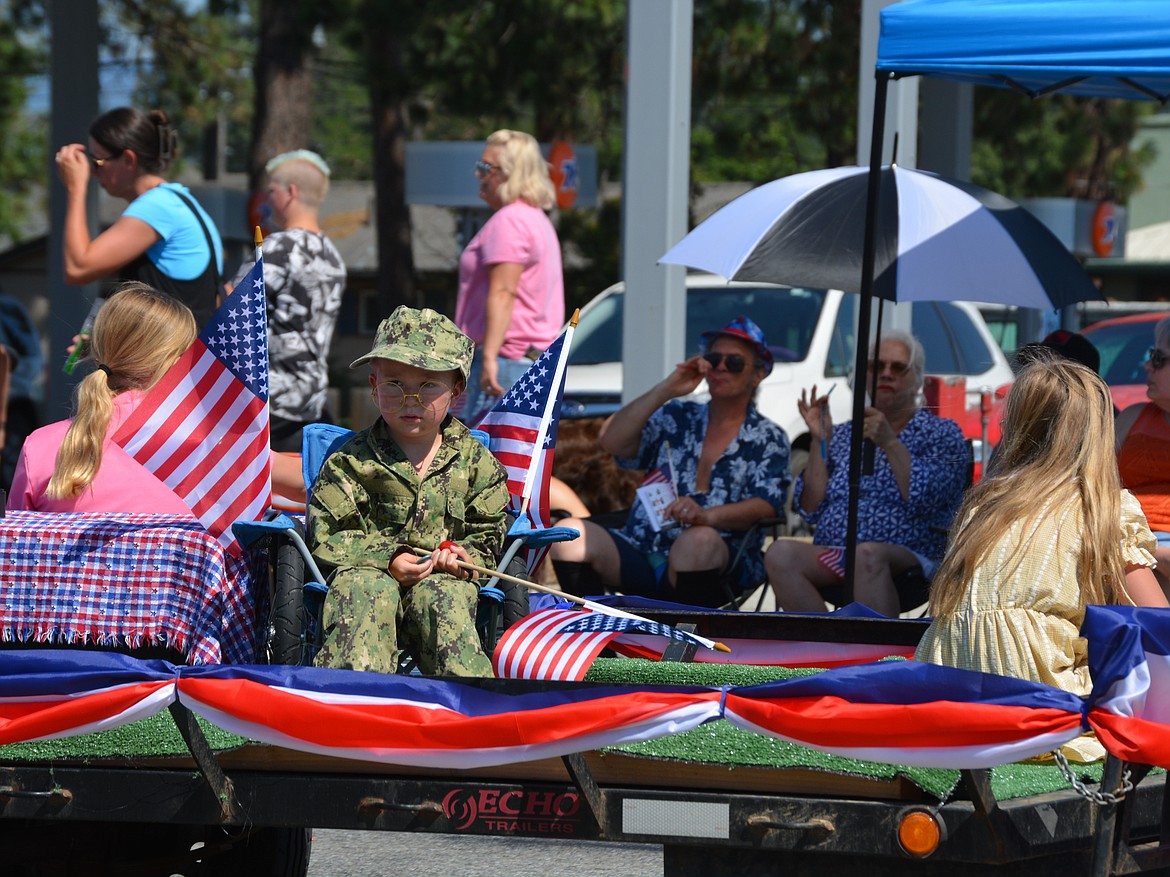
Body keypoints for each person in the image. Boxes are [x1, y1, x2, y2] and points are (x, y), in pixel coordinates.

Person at [916, 355, 1167, 700]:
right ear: (1098, 433)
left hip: (947, 695)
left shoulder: (981, 505)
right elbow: (1158, 623)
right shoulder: (1103, 508)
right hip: (1044, 703)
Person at [307, 306, 509, 676]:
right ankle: (352, 708)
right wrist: (388, 558)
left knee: (445, 596)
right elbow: (327, 536)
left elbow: (491, 532)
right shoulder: (349, 463)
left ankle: (467, 713)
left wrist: (465, 558)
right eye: (394, 384)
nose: (410, 399)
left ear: (456, 391)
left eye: (428, 385)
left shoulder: (477, 464)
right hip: (366, 578)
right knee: (364, 589)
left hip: (443, 582)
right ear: (373, 387)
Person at [548, 316, 791, 608]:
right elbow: (611, 440)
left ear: (758, 374)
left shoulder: (769, 436)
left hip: (718, 560)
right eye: (714, 359)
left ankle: (688, 644)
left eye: (735, 363)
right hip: (644, 545)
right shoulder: (678, 414)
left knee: (698, 541)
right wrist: (666, 389)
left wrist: (708, 517)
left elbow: (767, 503)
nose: (722, 368)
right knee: (568, 536)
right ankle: (599, 646)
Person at [7, 282, 304, 513]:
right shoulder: (215, 444)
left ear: (97, 349)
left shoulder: (40, 446)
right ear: (176, 362)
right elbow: (309, 485)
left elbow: (18, 556)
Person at [765, 330, 967, 616]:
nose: (886, 374)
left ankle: (876, 656)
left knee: (866, 555)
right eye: (876, 366)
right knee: (780, 553)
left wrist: (889, 442)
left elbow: (927, 498)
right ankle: (825, 646)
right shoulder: (846, 434)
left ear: (917, 380)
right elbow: (809, 506)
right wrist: (819, 441)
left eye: (898, 367)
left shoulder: (941, 434)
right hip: (837, 553)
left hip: (911, 558)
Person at [55, 107, 224, 330]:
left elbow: (77, 268)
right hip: (186, 358)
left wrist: (75, 187)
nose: (93, 173)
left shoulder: (158, 207)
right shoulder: (180, 201)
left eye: (98, 162)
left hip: (172, 361)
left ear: (128, 160)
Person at [227, 149, 346, 452]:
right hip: (311, 401)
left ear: (290, 192)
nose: (267, 201)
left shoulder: (278, 248)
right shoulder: (334, 257)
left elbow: (233, 312)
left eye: (272, 191)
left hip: (268, 400)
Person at [452, 129, 565, 421]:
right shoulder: (534, 218)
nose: (478, 174)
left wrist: (488, 357)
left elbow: (504, 292)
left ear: (509, 173)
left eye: (485, 168)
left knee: (479, 458)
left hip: (504, 361)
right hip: (524, 360)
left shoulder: (510, 221)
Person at [1116, 315, 1170, 597]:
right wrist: (1156, 554)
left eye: (1159, 358)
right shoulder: (1132, 418)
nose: (1148, 365)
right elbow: (1090, 482)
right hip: (1128, 542)